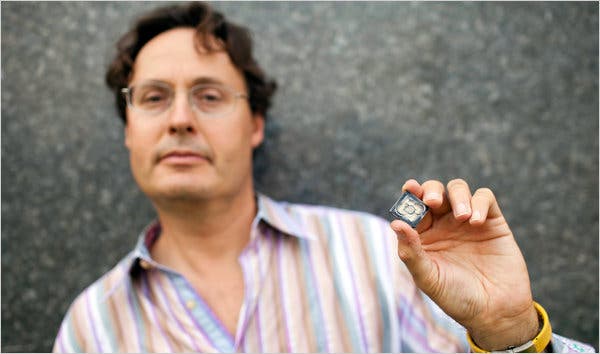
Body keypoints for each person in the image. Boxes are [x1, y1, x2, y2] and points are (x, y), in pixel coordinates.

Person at [53, 2, 594, 353]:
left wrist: (506, 330)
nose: (179, 118)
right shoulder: (90, 330)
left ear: (255, 125)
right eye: (152, 98)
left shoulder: (382, 258)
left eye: (210, 96)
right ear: (129, 130)